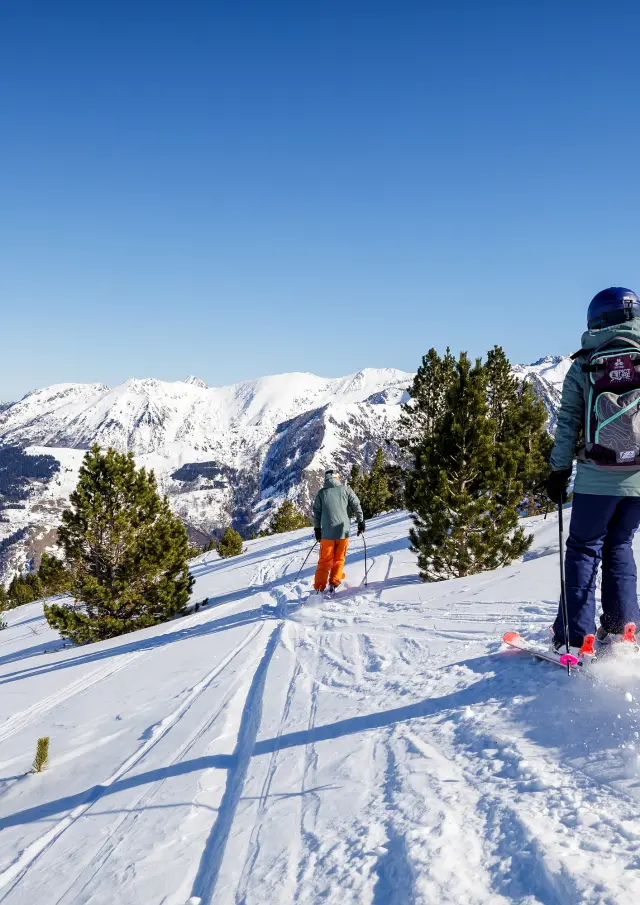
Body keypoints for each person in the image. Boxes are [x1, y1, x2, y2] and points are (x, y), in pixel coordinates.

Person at [546, 287, 640, 654]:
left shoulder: (585, 363)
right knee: (620, 545)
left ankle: (573, 637)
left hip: (596, 478)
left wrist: (558, 472)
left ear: (596, 319)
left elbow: (567, 422)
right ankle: (623, 630)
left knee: (584, 550)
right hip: (638, 480)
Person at [312, 468, 365, 593]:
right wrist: (361, 522)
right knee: (339, 559)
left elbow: (317, 513)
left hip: (327, 534)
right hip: (343, 532)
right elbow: (356, 505)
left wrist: (317, 529)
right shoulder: (346, 490)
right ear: (336, 478)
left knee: (324, 561)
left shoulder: (321, 493)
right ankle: (334, 583)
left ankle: (319, 587)